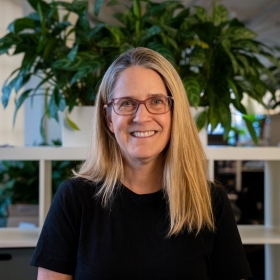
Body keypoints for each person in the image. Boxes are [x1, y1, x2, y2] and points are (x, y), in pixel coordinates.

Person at [31, 47, 252, 280]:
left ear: (174, 112)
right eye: (127, 103)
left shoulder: (209, 201)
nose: (142, 117)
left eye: (157, 101)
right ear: (108, 118)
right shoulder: (74, 199)